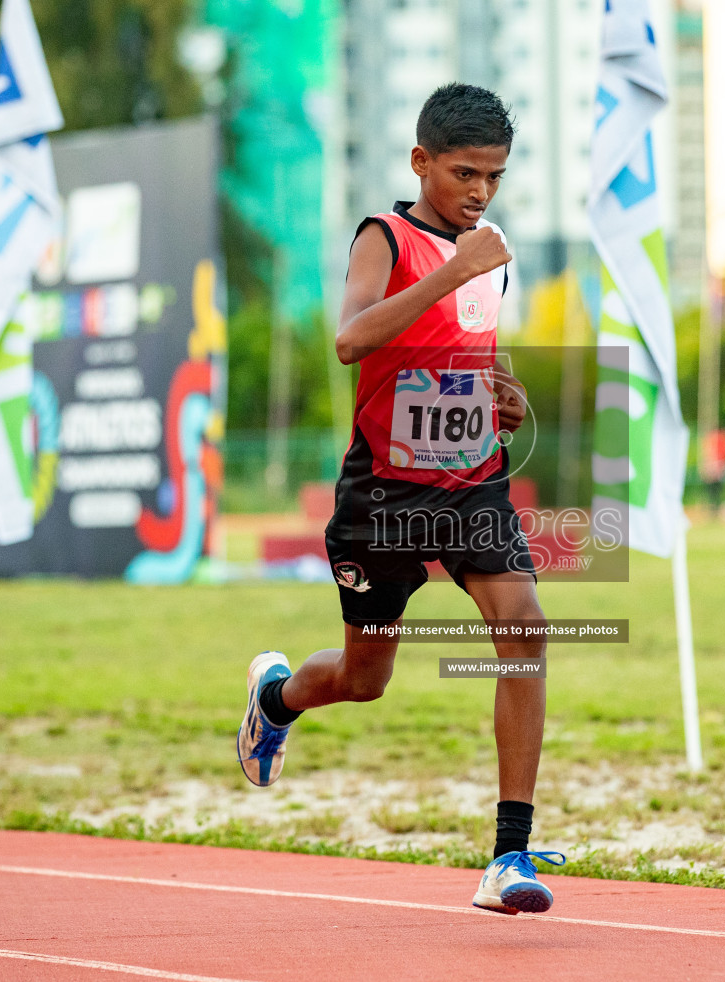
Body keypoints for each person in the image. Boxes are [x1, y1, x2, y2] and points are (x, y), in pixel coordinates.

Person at [238, 83, 565, 915]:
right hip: (382, 496)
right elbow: (352, 339)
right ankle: (275, 700)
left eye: (494, 175)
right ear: (422, 163)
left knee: (524, 626)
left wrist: (508, 390)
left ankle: (509, 857)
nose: (481, 192)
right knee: (364, 675)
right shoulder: (386, 238)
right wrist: (451, 268)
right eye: (464, 173)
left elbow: (473, 350)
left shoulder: (490, 249)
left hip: (468, 487)